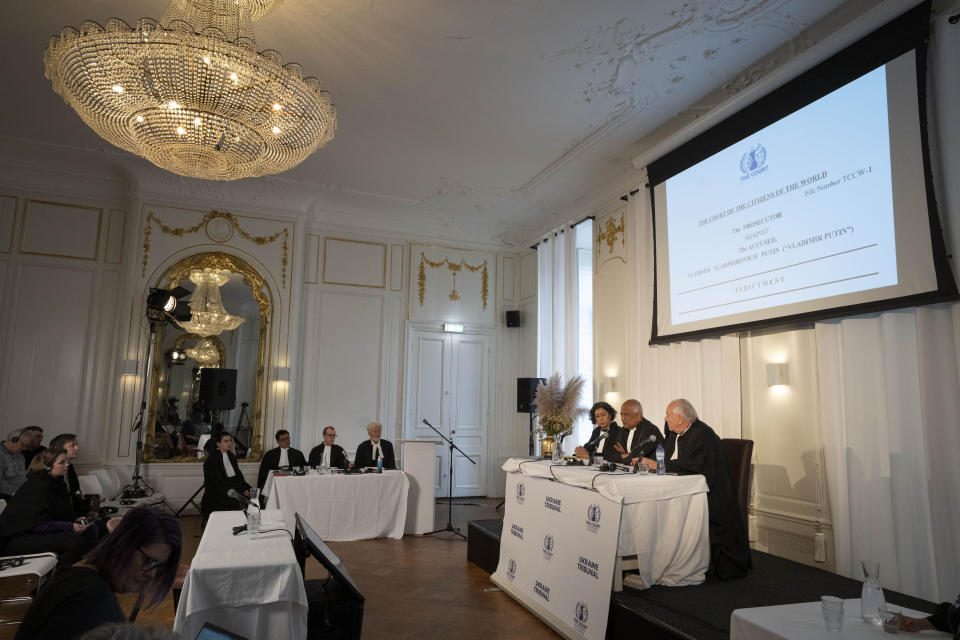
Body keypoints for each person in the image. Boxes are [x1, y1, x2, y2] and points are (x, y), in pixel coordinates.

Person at [14, 505, 182, 640]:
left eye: (159, 566)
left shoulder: (79, 576)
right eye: (148, 561)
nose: (152, 574)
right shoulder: (92, 600)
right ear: (122, 545)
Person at [641, 399, 751, 580]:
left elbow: (696, 466)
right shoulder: (675, 434)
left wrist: (659, 464)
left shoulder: (703, 434)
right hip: (687, 489)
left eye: (668, 415)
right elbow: (668, 460)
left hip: (714, 495)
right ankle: (662, 558)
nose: (665, 418)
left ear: (679, 418)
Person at [0, 447, 98, 567]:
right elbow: (36, 525)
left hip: (36, 532)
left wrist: (74, 521)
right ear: (48, 466)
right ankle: (61, 575)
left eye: (67, 462)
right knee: (74, 541)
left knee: (91, 530)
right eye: (61, 462)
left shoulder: (54, 483)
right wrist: (69, 526)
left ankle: (82, 568)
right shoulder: (38, 486)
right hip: (19, 539)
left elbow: (55, 513)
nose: (66, 465)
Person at [200, 432, 250, 524]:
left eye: (230, 440)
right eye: (226, 441)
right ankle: (235, 524)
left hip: (233, 489)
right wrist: (240, 490)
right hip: (217, 493)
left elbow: (239, 477)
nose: (229, 443)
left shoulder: (232, 457)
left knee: (253, 495)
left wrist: (246, 488)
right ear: (218, 444)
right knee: (235, 501)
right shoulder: (210, 461)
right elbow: (219, 483)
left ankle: (250, 523)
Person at [612, 399, 663, 466]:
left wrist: (624, 456)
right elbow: (609, 454)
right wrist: (625, 456)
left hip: (650, 473)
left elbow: (636, 457)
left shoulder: (650, 430)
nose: (622, 418)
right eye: (621, 414)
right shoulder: (624, 429)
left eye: (626, 414)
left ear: (638, 415)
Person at [0, 428, 27, 498]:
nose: (24, 448)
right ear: (14, 440)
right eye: (23, 445)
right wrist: (14, 492)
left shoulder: (20, 456)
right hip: (6, 496)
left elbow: (23, 477)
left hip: (19, 494)